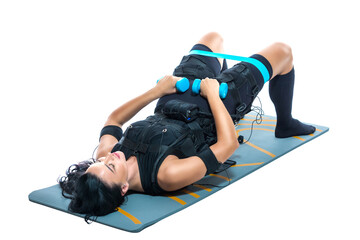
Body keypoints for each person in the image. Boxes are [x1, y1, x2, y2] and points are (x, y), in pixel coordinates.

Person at [59, 32, 315, 220]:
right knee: (283, 51)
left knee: (213, 38)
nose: (108, 158)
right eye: (110, 166)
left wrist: (156, 91)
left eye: (100, 163)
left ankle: (217, 75)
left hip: (176, 91)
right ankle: (286, 124)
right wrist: (213, 94)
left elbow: (113, 120)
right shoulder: (166, 175)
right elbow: (226, 146)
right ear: (124, 188)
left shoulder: (106, 160)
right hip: (220, 104)